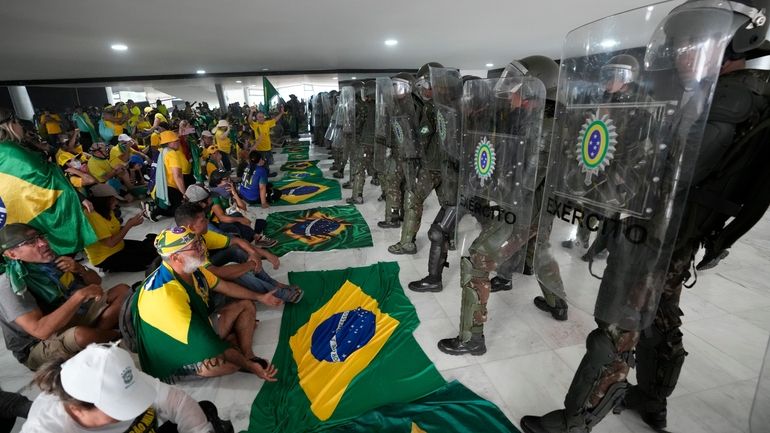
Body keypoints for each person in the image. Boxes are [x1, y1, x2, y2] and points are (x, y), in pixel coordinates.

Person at [519, 1, 770, 432]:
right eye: (680, 45)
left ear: (741, 40)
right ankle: (653, 400)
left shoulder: (732, 98)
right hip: (675, 231)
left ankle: (575, 420)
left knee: (618, 325)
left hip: (661, 232)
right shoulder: (734, 91)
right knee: (659, 319)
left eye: (695, 44)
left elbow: (679, 168)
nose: (682, 54)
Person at [131, 226, 279, 382]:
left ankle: (248, 354)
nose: (202, 248)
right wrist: (249, 367)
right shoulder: (165, 296)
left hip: (198, 325)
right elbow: (206, 344)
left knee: (247, 305)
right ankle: (184, 369)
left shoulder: (193, 269)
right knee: (228, 365)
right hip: (175, 348)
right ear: (176, 258)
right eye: (195, 247)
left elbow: (225, 287)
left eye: (199, 242)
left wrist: (260, 297)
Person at [0, 224, 128, 371]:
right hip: (37, 343)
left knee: (122, 291)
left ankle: (97, 337)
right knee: (81, 335)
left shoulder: (50, 258)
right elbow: (40, 331)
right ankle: (116, 335)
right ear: (12, 254)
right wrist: (80, 295)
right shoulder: (11, 284)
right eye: (30, 242)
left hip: (72, 317)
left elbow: (96, 282)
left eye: (39, 237)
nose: (42, 243)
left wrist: (80, 269)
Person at [22, 342, 230, 433]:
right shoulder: (46, 428)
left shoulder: (115, 376)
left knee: (204, 411)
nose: (135, 411)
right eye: (117, 410)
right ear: (76, 408)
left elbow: (177, 401)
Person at [0, 108, 97, 255]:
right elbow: (46, 177)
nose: (21, 127)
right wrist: (79, 197)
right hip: (37, 212)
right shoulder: (11, 152)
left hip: (16, 217)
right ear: (10, 125)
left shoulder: (5, 151)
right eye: (18, 123)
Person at [174, 204, 301, 304]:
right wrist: (250, 265)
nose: (207, 221)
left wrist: (253, 253)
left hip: (208, 270)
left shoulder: (199, 235)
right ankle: (276, 292)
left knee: (237, 250)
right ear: (191, 227)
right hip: (201, 291)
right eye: (203, 220)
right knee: (236, 273)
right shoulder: (187, 249)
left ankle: (272, 283)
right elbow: (216, 273)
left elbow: (236, 241)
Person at [388, 63, 447, 255]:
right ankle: (449, 238)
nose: (422, 89)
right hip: (448, 166)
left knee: (413, 199)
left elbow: (423, 134)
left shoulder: (430, 108)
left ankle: (407, 243)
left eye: (425, 84)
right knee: (448, 204)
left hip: (430, 164)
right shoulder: (452, 104)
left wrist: (412, 148)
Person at [84, 184, 158, 273]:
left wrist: (131, 223)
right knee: (147, 262)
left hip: (119, 246)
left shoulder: (106, 210)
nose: (116, 202)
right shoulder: (92, 216)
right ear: (103, 200)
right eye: (113, 200)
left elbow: (114, 229)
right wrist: (129, 225)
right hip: (106, 257)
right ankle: (108, 267)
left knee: (153, 249)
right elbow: (110, 243)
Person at [148, 130, 191, 221]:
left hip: (166, 186)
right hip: (171, 186)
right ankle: (155, 210)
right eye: (175, 141)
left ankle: (156, 208)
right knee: (181, 211)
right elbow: (177, 175)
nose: (178, 142)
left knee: (178, 207)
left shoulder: (164, 151)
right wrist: (184, 193)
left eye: (177, 140)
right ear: (168, 143)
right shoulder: (172, 154)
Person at [248, 106, 285, 175]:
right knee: (262, 163)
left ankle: (267, 174)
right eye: (259, 117)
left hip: (268, 148)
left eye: (262, 117)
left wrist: (281, 113)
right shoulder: (255, 125)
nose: (262, 118)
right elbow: (250, 121)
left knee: (267, 162)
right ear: (256, 118)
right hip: (260, 149)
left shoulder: (267, 123)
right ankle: (264, 175)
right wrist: (251, 112)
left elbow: (275, 119)